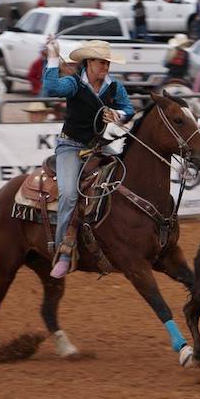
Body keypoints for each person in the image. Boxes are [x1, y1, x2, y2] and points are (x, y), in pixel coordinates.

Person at [43, 39, 135, 279]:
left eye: (107, 62)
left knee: (124, 177)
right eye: (101, 62)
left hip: (98, 147)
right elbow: (51, 88)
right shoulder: (74, 84)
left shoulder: (114, 87)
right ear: (89, 62)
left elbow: (129, 110)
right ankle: (62, 248)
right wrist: (52, 56)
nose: (105, 66)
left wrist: (118, 114)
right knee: (69, 194)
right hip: (70, 146)